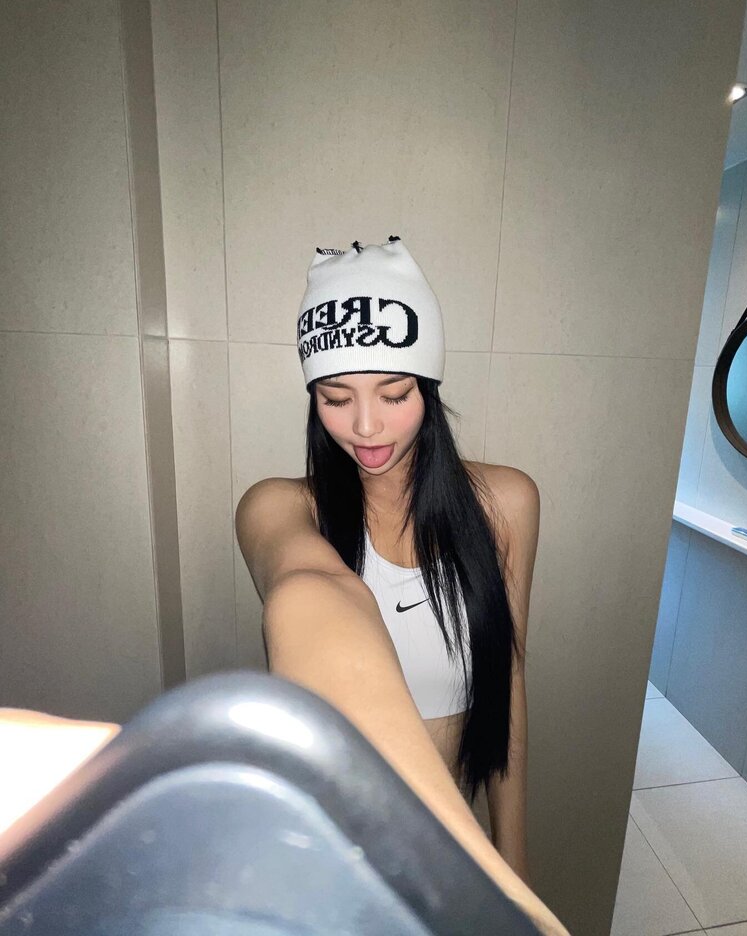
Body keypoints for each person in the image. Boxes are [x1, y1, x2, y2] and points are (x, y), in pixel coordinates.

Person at [236, 236, 569, 934]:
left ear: (429, 388)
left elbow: (506, 683)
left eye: (394, 393)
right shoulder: (278, 506)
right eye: (335, 397)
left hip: (448, 857)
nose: (365, 425)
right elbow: (310, 590)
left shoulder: (506, 505)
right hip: (319, 858)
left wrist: (512, 868)